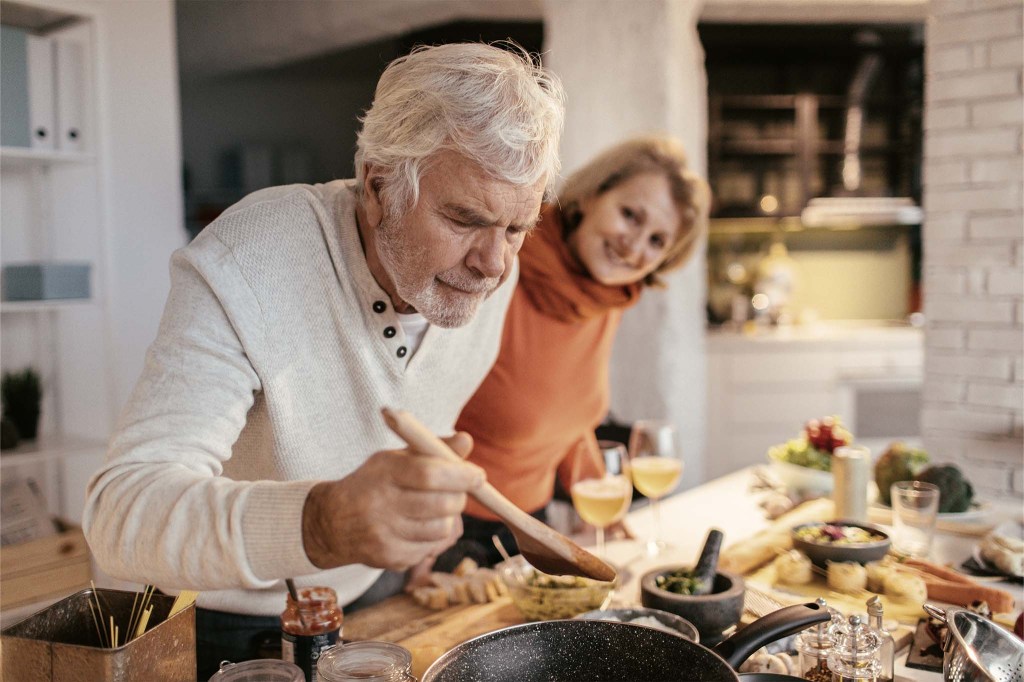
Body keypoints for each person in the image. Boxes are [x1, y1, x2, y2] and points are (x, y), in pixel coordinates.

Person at [82, 42, 564, 679]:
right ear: (378, 186)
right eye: (462, 217)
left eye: (515, 228)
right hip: (199, 619)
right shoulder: (252, 257)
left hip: (363, 604)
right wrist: (320, 523)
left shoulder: (485, 272)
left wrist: (404, 533)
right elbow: (122, 514)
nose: (494, 265)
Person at [435, 135, 709, 570]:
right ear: (589, 197)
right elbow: (420, 402)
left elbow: (569, 414)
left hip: (531, 527)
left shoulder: (604, 299)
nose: (635, 248)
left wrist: (601, 502)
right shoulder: (499, 264)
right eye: (630, 216)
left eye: (657, 241)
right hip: (447, 534)